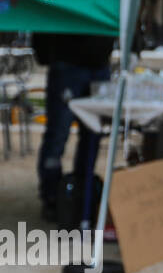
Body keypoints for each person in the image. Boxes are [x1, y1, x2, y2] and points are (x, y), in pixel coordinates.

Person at [33, 33, 114, 223]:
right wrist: (45, 53)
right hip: (67, 61)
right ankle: (53, 198)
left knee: (92, 135)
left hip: (98, 63)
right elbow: (48, 7)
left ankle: (80, 195)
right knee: (58, 134)